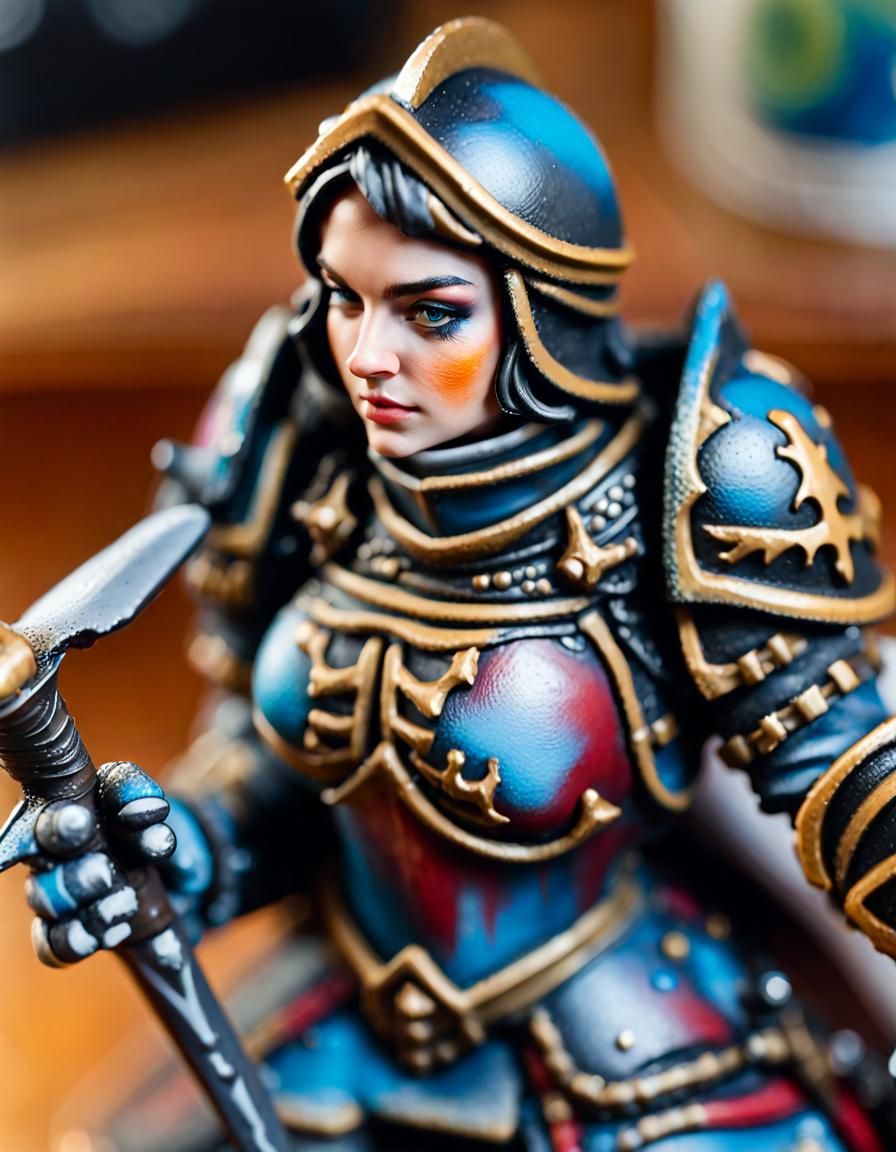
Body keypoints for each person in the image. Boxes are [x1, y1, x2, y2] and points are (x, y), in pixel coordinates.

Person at [21, 17, 896, 1152]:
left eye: (429, 312)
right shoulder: (302, 450)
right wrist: (179, 844)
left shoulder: (698, 476)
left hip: (621, 1036)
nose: (367, 357)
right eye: (344, 298)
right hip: (345, 1013)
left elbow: (846, 777)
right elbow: (267, 766)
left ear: (539, 312)